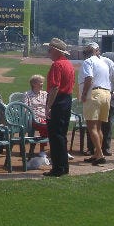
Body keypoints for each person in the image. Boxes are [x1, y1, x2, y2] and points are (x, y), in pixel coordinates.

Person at [43, 38, 75, 177]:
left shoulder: (57, 65)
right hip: (66, 100)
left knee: (55, 135)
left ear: (56, 51)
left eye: (50, 50)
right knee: (61, 134)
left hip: (58, 100)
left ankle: (58, 168)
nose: (48, 52)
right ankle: (63, 166)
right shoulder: (68, 64)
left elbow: (55, 87)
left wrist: (49, 106)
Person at [79, 42, 111, 167]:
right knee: (98, 127)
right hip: (106, 94)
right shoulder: (103, 62)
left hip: (95, 94)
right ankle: (97, 153)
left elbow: (88, 79)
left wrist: (84, 93)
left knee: (91, 126)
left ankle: (100, 154)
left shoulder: (88, 62)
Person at [90, 48, 114, 156]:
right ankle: (93, 148)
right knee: (93, 123)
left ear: (98, 51)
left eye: (92, 51)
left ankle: (104, 148)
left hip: (108, 94)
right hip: (95, 95)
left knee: (107, 123)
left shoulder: (107, 62)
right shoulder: (90, 62)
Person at [23, 74, 48, 154]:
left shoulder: (45, 94)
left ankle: (61, 150)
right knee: (46, 126)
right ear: (33, 84)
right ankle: (42, 151)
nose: (42, 84)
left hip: (45, 117)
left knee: (56, 125)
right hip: (34, 119)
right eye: (40, 82)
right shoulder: (27, 94)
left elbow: (49, 106)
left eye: (42, 82)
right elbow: (25, 108)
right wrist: (37, 116)